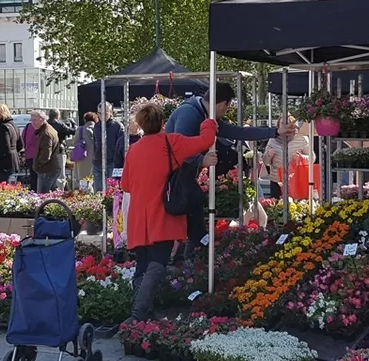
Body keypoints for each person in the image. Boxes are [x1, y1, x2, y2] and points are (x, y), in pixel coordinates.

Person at [165, 83, 297, 260]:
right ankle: (193, 264)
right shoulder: (189, 114)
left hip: (185, 177)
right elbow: (178, 147)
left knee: (195, 220)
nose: (226, 112)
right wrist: (201, 160)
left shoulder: (204, 113)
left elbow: (237, 132)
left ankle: (194, 263)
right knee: (192, 220)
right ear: (222, 104)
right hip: (174, 179)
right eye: (227, 107)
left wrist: (274, 131)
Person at [121, 103, 218, 322]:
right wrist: (209, 121)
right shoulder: (170, 141)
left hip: (138, 216)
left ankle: (141, 313)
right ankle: (137, 315)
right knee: (157, 264)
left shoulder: (134, 149)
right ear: (163, 122)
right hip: (161, 213)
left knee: (143, 265)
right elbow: (205, 140)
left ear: (141, 124)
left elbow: (125, 185)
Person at [262, 114, 313, 199]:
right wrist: (268, 155)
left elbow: (312, 158)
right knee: (276, 207)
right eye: (283, 123)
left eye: (288, 123)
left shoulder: (302, 138)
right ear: (278, 125)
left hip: (296, 180)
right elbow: (265, 162)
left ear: (293, 125)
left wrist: (302, 157)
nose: (286, 126)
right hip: (276, 180)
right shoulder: (272, 139)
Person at [93, 102, 125, 192]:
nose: (102, 115)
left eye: (105, 112)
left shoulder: (118, 126)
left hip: (112, 163)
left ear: (110, 112)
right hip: (98, 162)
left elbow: (121, 147)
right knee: (98, 190)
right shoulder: (97, 126)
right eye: (100, 113)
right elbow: (94, 143)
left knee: (112, 190)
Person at [0, 104, 24, 183]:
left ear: (1, 113)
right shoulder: (14, 126)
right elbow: (20, 145)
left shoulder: (2, 127)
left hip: (4, 163)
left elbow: (4, 146)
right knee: (8, 183)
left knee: (2, 185)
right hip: (13, 161)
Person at [31, 110, 61, 193]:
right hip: (50, 167)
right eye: (32, 120)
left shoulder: (46, 133)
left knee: (42, 195)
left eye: (35, 120)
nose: (32, 123)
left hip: (47, 169)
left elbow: (46, 154)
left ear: (42, 119)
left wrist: (38, 165)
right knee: (52, 194)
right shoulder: (46, 130)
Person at [47, 109, 77, 191]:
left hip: (48, 151)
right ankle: (60, 191)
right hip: (59, 149)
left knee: (49, 173)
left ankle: (50, 190)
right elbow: (73, 131)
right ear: (57, 115)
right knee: (60, 173)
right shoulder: (59, 124)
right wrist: (73, 123)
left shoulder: (45, 124)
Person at [74, 112, 97, 186]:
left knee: (83, 179)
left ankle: (85, 195)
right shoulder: (99, 129)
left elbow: (75, 142)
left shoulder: (80, 130)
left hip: (82, 157)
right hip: (96, 158)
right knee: (95, 179)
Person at [22, 121, 39, 191]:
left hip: (29, 155)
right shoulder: (39, 127)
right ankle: (38, 193)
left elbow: (22, 139)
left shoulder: (27, 127)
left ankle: (33, 192)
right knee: (38, 176)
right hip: (38, 155)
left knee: (33, 176)